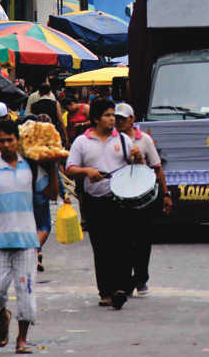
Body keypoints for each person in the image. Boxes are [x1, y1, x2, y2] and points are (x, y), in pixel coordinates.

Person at [0, 120, 55, 353]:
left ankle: (21, 339)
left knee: (26, 293)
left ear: (18, 141)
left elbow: (51, 194)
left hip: (27, 240)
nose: (7, 144)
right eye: (2, 141)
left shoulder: (31, 168)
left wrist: (53, 168)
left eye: (11, 140)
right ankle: (2, 313)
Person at [65, 98, 143, 309]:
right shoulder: (82, 142)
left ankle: (120, 288)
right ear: (96, 119)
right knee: (101, 247)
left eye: (113, 116)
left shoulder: (124, 140)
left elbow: (138, 167)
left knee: (122, 245)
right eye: (108, 115)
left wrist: (138, 157)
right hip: (94, 200)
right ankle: (105, 291)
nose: (112, 120)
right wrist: (87, 172)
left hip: (119, 199)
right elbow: (70, 168)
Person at [115, 102, 172, 295]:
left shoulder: (144, 140)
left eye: (123, 118)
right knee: (123, 241)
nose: (119, 121)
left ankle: (141, 279)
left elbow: (156, 167)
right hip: (121, 197)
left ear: (132, 119)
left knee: (142, 240)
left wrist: (166, 194)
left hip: (143, 198)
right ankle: (125, 280)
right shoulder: (114, 140)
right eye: (117, 118)